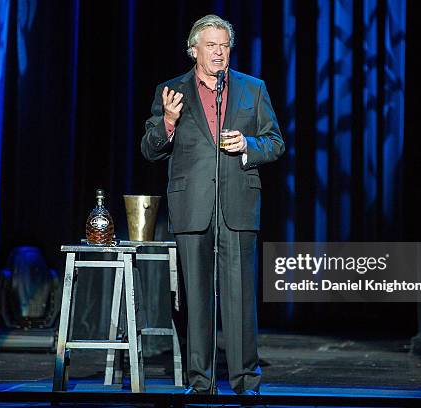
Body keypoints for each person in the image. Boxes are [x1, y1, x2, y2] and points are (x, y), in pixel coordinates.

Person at [141, 14, 284, 395]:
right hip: (192, 206)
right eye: (211, 46)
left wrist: (247, 147)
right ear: (194, 51)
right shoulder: (170, 91)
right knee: (196, 301)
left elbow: (275, 142)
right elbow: (150, 150)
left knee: (240, 299)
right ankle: (200, 382)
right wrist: (168, 122)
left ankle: (245, 381)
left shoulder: (252, 90)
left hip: (237, 207)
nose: (219, 52)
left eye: (224, 46)